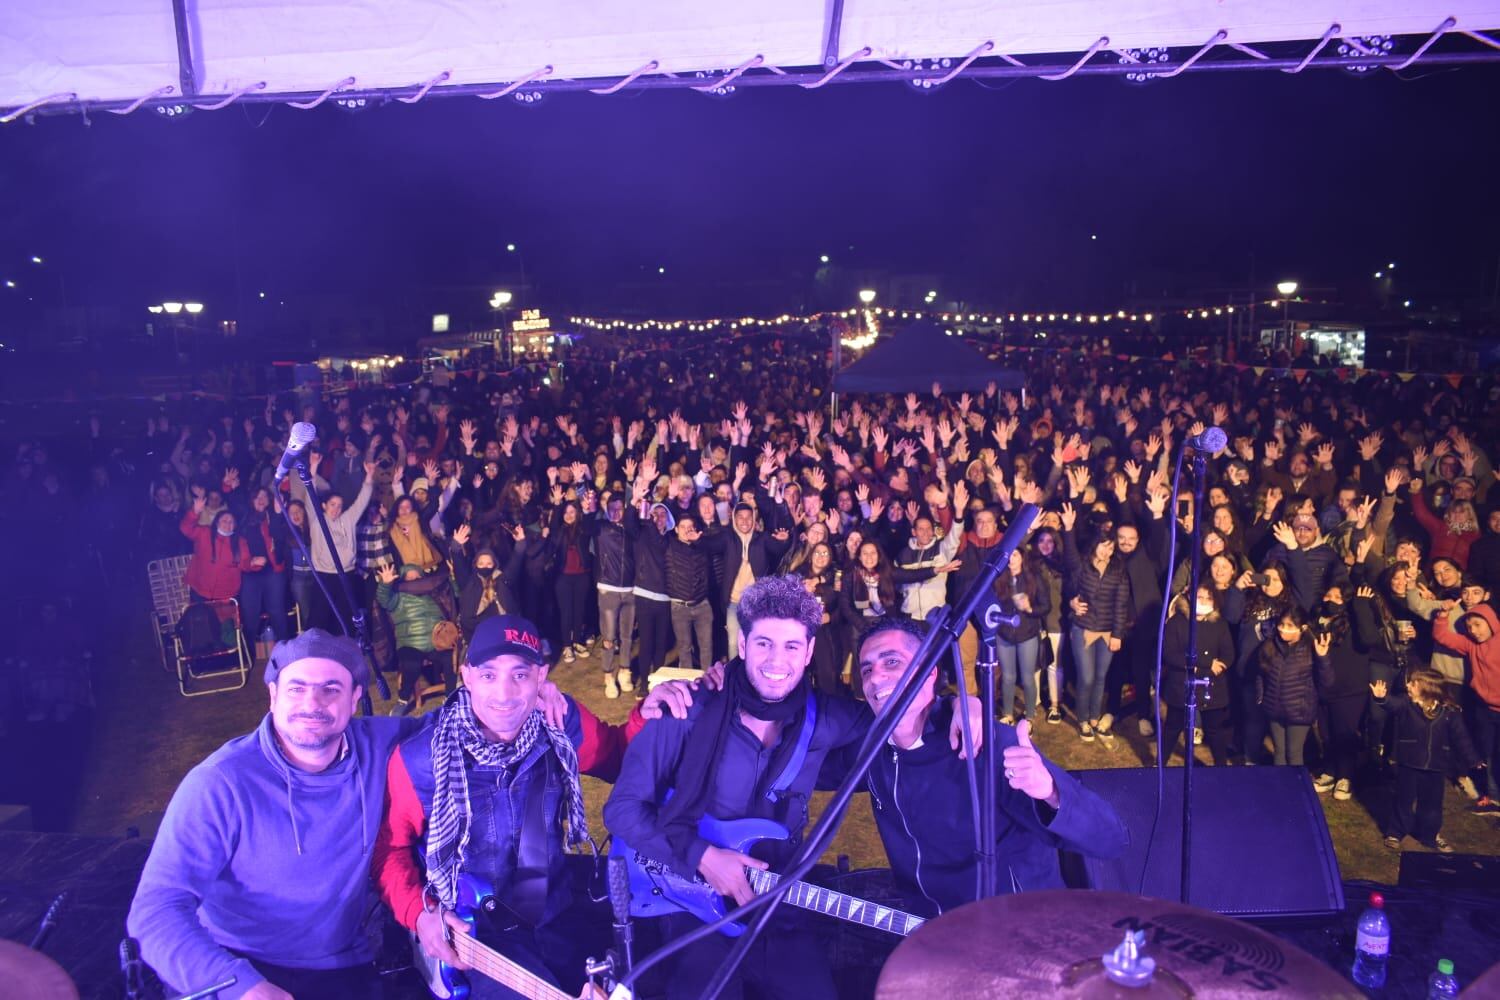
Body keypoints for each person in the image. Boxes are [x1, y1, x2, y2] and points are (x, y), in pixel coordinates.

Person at [603, 575, 874, 1000]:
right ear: (743, 645)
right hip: (688, 900)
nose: (776, 661)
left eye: (791, 646)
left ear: (809, 652)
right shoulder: (686, 708)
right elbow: (621, 810)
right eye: (763, 643)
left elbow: (902, 725)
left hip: (772, 902)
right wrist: (703, 856)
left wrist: (960, 708)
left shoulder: (826, 720)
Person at [128, 630, 420, 999]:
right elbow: (155, 912)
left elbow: (467, 720)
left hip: (342, 965)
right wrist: (243, 988)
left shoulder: (378, 744)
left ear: (355, 697)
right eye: (296, 688)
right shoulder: (220, 784)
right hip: (238, 963)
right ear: (273, 695)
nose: (312, 703)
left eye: (331, 688)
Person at [372, 615, 637, 1000]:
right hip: (478, 939)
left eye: (520, 675)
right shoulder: (421, 761)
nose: (505, 694)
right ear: (465, 675)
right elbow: (389, 851)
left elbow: (620, 756)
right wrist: (419, 913)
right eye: (489, 675)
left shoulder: (559, 723)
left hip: (556, 918)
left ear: (541, 677)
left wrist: (656, 710)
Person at [849, 615, 1128, 915]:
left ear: (929, 672)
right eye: (867, 669)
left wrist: (1051, 792)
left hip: (1017, 932)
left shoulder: (988, 744)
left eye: (891, 662)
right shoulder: (871, 751)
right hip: (933, 936)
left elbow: (1111, 840)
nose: (875, 677)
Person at [1372, 670, 1482, 853]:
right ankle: (1395, 832)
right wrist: (1382, 699)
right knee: (1403, 800)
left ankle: (1429, 835)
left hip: (1436, 766)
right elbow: (1393, 705)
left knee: (1432, 805)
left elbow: (1461, 737)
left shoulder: (1449, 712)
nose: (1408, 686)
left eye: (1413, 684)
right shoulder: (1407, 704)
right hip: (1409, 762)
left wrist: (1473, 759)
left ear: (1427, 688)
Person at [1060, 502, 1130, 743]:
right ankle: (1081, 719)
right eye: (1103, 545)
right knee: (1086, 677)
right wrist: (1068, 529)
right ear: (1095, 544)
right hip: (1083, 627)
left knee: (1101, 678)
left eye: (1111, 546)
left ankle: (1093, 716)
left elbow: (1121, 604)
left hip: (1107, 631)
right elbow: (1069, 558)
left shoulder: (1118, 569)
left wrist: (1118, 634)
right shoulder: (1083, 566)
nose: (1107, 551)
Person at [1158, 586, 1235, 766]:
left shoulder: (1220, 624)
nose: (1203, 601)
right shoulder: (1176, 622)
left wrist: (1212, 667)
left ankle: (1220, 767)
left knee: (1214, 730)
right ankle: (1160, 763)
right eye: (1199, 596)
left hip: (1211, 688)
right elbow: (1170, 655)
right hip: (1182, 685)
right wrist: (1207, 665)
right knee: (1172, 728)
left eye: (1208, 598)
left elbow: (1228, 655)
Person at [1255, 607, 1333, 767]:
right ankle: (1279, 789)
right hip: (1274, 709)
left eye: (1290, 626)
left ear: (1302, 628)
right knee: (1279, 752)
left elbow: (1327, 681)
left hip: (1299, 711)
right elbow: (1260, 674)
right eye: (1282, 624)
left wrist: (1323, 657)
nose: (1284, 629)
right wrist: (1261, 698)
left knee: (1294, 753)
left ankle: (1295, 789)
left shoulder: (1311, 648)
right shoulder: (1270, 645)